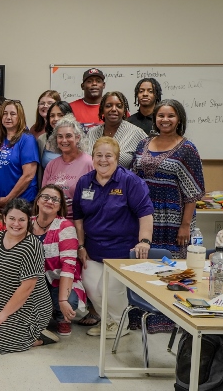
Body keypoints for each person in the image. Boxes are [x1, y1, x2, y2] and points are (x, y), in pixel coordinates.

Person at [73, 137, 154, 338]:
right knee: (92, 287)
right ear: (92, 158)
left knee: (108, 288)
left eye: (108, 156)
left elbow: (145, 214)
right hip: (93, 250)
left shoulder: (130, 182)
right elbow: (79, 218)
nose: (103, 160)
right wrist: (81, 245)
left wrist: (144, 241)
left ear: (117, 159)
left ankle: (120, 325)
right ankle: (108, 321)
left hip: (121, 252)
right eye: (99, 155)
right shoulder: (84, 182)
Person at [0, 199, 56, 353]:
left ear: (28, 220)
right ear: (4, 219)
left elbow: (27, 286)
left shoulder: (32, 246)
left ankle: (38, 336)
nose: (16, 224)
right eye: (12, 219)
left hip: (29, 307)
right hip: (0, 301)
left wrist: (4, 314)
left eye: (22, 219)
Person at [132, 100, 204, 258]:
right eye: (161, 115)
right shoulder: (143, 143)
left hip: (173, 219)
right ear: (155, 118)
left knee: (171, 268)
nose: (165, 120)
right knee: (143, 264)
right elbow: (133, 179)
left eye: (171, 116)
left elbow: (192, 193)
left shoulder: (188, 149)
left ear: (179, 119)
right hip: (144, 215)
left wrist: (185, 226)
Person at [30, 185, 85, 337]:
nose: (49, 201)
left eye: (55, 199)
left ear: (60, 206)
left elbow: (68, 267)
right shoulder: (27, 223)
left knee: (70, 300)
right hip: (34, 280)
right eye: (45, 197)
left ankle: (62, 318)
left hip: (58, 280)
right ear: (38, 201)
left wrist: (62, 300)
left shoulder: (65, 227)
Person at [0, 99, 39, 204]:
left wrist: (8, 199)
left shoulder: (27, 139)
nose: (8, 117)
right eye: (5, 114)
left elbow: (28, 176)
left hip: (21, 202)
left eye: (13, 114)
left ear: (19, 117)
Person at [42, 115, 93, 219]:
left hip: (78, 222)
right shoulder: (51, 165)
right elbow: (43, 196)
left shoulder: (89, 163)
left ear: (77, 137)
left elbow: (93, 198)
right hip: (52, 222)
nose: (64, 140)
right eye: (60, 136)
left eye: (68, 136)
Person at [86, 91, 147, 168]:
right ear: (102, 110)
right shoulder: (91, 133)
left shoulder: (136, 133)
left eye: (119, 106)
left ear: (124, 111)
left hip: (123, 179)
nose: (114, 109)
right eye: (108, 106)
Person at [37, 101, 74, 171]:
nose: (56, 119)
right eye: (52, 116)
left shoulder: (77, 138)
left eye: (60, 115)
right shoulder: (42, 139)